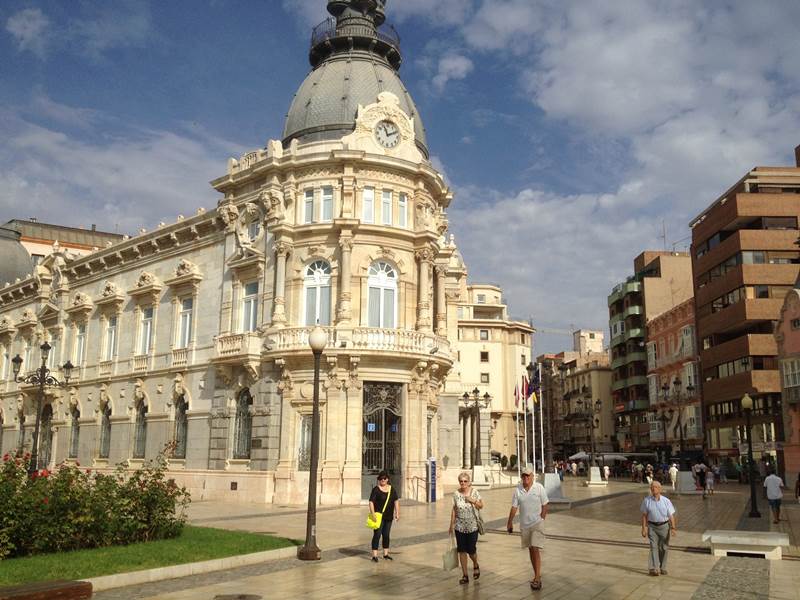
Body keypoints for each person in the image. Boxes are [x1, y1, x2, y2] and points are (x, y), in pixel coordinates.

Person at [507, 466, 549, 591]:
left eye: (528, 475)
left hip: (537, 523)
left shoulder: (539, 488)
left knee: (535, 548)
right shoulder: (518, 490)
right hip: (524, 525)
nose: (525, 478)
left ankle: (537, 578)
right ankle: (536, 574)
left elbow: (545, 504)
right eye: (523, 476)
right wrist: (509, 522)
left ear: (532, 477)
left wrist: (542, 518)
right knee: (531, 549)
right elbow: (514, 507)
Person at [448, 472, 483, 585]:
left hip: (472, 526)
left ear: (469, 482)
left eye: (465, 481)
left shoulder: (474, 492)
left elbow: (481, 505)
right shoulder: (456, 494)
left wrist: (473, 500)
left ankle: (475, 563)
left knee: (471, 550)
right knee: (461, 550)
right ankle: (465, 575)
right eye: (461, 481)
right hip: (459, 526)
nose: (463, 483)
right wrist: (451, 524)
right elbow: (454, 509)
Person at [640, 480, 677, 576]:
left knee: (663, 547)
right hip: (652, 526)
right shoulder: (647, 500)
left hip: (664, 527)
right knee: (653, 547)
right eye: (651, 487)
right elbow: (644, 515)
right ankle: (654, 568)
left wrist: (673, 528)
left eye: (655, 487)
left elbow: (671, 516)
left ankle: (662, 567)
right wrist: (643, 528)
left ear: (660, 489)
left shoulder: (666, 501)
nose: (653, 488)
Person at [368, 471, 400, 561]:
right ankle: (374, 555)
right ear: (379, 479)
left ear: (387, 479)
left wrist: (397, 513)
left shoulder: (391, 489)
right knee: (377, 535)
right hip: (378, 516)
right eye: (381, 478)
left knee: (386, 535)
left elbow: (396, 501)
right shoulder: (376, 489)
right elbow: (371, 502)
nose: (383, 480)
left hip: (389, 516)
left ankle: (385, 554)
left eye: (385, 478)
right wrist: (373, 514)